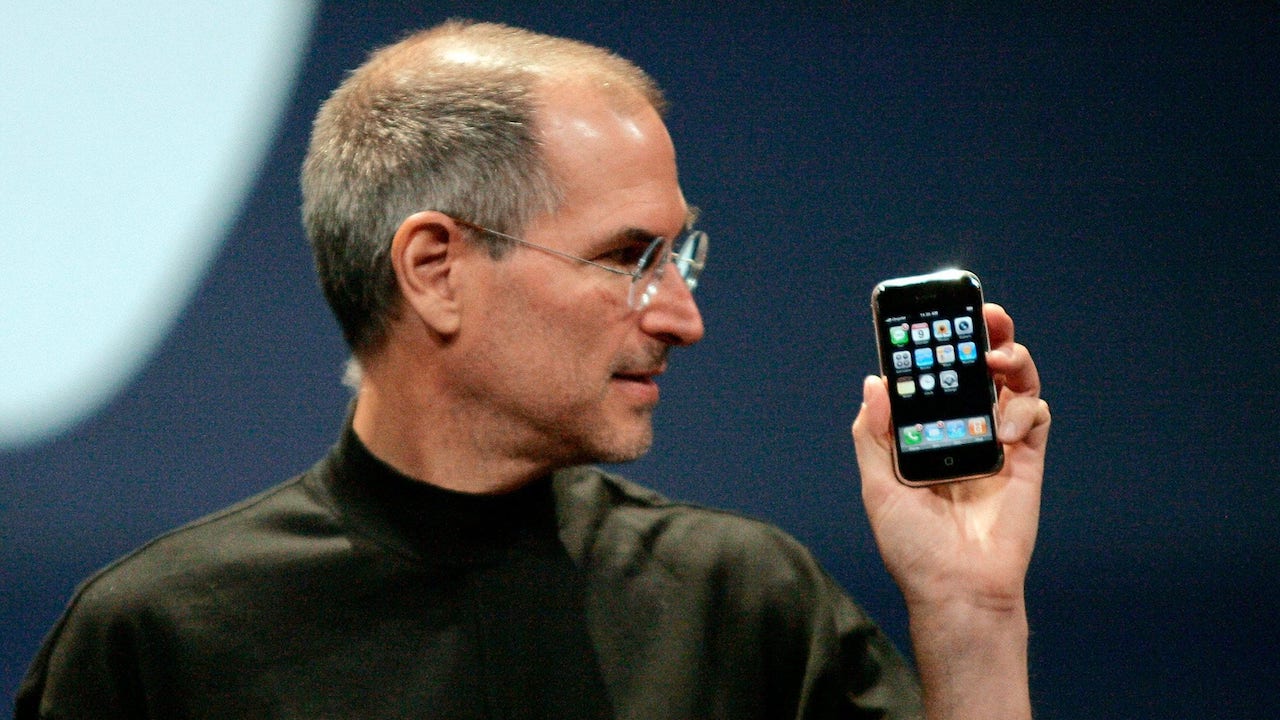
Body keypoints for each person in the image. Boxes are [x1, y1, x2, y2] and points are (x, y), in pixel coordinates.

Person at [15, 20, 1050, 720]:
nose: (683, 317)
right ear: (435, 270)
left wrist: (971, 613)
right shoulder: (161, 641)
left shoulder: (743, 606)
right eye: (625, 258)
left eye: (679, 254)